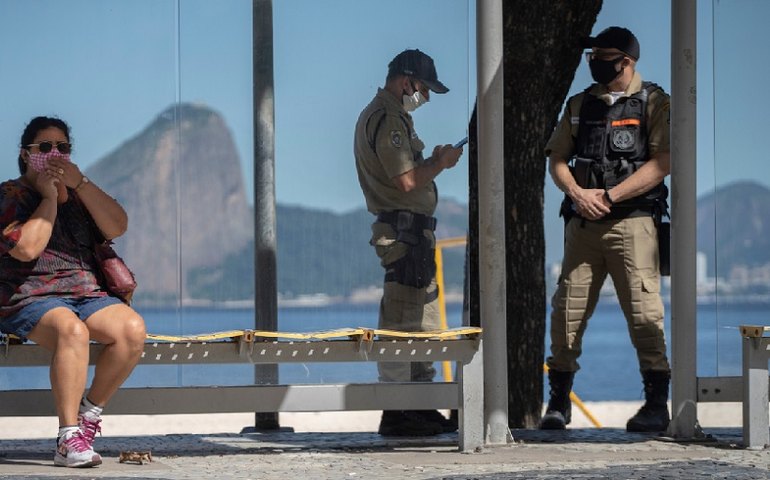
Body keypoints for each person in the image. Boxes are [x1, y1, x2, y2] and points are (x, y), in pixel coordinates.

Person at [542, 27, 672, 432]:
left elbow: (663, 161)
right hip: (583, 225)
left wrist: (610, 197)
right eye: (591, 55)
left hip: (633, 224)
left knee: (645, 314)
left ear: (626, 61)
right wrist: (578, 193)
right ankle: (558, 403)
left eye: (602, 55)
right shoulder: (580, 105)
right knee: (567, 314)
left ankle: (655, 405)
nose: (594, 61)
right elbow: (557, 159)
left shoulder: (654, 102)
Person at [0, 117, 146, 467]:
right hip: (28, 298)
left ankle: (88, 417)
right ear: (25, 154)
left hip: (88, 294)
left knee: (132, 330)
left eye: (62, 148)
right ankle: (68, 438)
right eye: (44, 148)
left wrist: (78, 183)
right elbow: (26, 249)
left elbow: (117, 225)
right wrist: (49, 197)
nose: (54, 154)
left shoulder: (81, 197)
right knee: (72, 331)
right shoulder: (9, 195)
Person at [354, 49, 463, 436]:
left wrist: (430, 160)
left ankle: (419, 404)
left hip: (413, 232)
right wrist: (442, 163)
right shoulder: (388, 119)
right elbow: (404, 181)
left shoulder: (392, 116)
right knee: (402, 323)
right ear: (406, 82)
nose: (426, 98)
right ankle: (399, 410)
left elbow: (408, 172)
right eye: (424, 89)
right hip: (404, 234)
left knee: (423, 324)